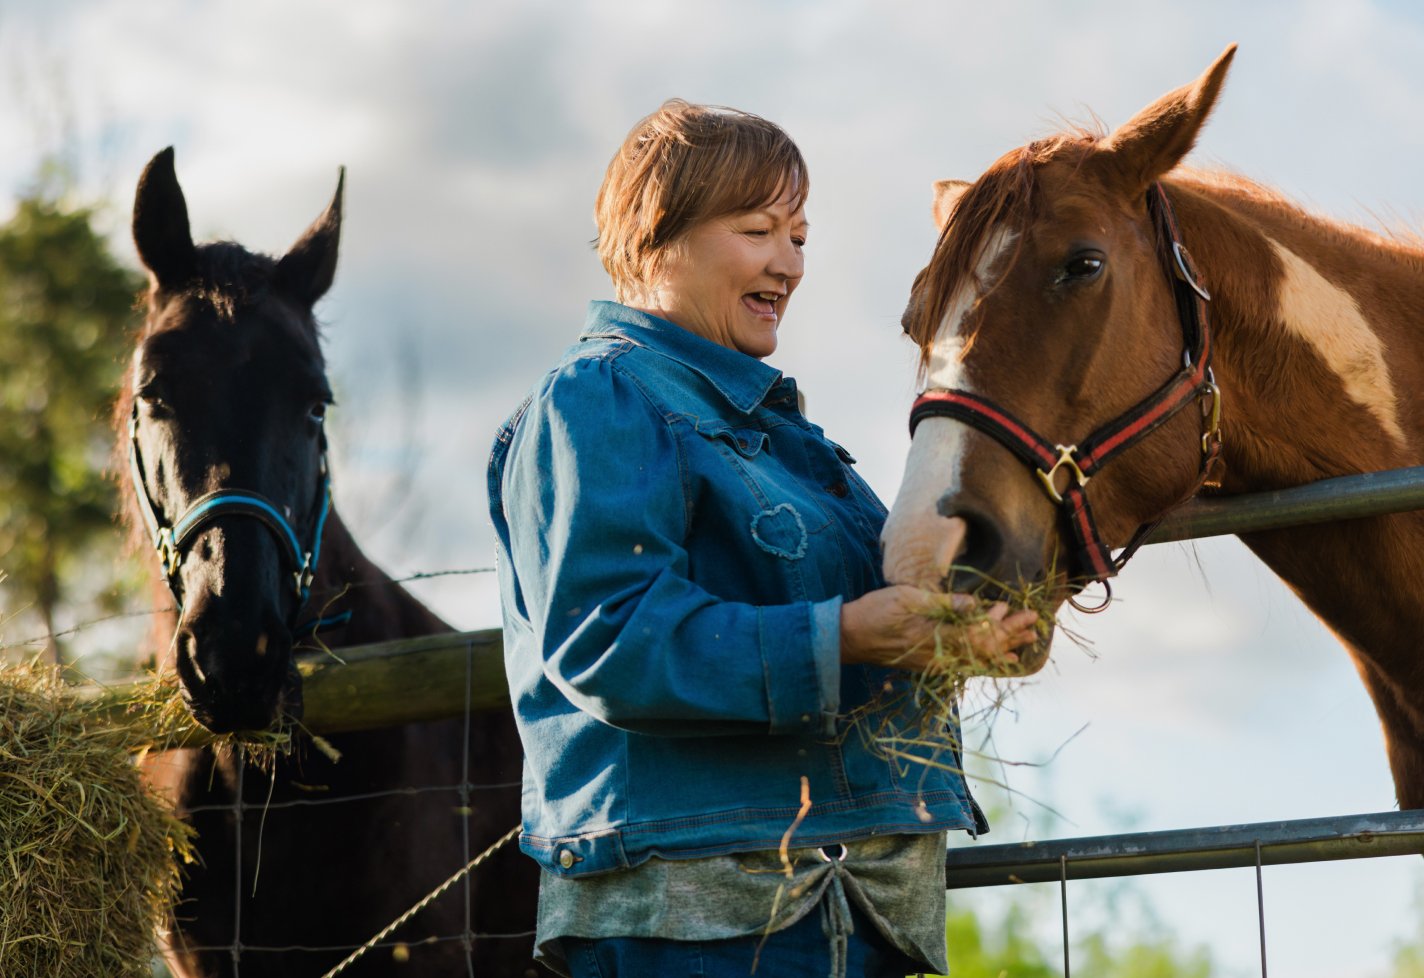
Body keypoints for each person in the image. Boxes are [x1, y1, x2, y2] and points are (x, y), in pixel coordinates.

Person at [488, 99, 1039, 978]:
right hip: (704, 925)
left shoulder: (796, 440)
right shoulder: (600, 399)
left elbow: (870, 616)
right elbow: (609, 640)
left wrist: (962, 628)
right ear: (656, 234)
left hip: (862, 911)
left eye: (801, 236)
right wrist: (848, 636)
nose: (789, 262)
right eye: (758, 231)